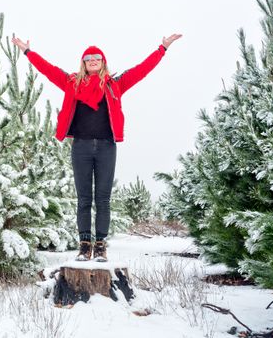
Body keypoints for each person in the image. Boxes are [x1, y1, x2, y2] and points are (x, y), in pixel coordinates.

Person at [12, 33, 182, 262]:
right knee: (83, 199)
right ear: (83, 62)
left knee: (102, 199)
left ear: (103, 62)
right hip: (80, 147)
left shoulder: (115, 85)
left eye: (97, 57)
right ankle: (84, 245)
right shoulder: (72, 83)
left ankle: (100, 245)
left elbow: (142, 70)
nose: (93, 60)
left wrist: (162, 48)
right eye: (88, 57)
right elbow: (48, 69)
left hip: (106, 148)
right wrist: (27, 51)